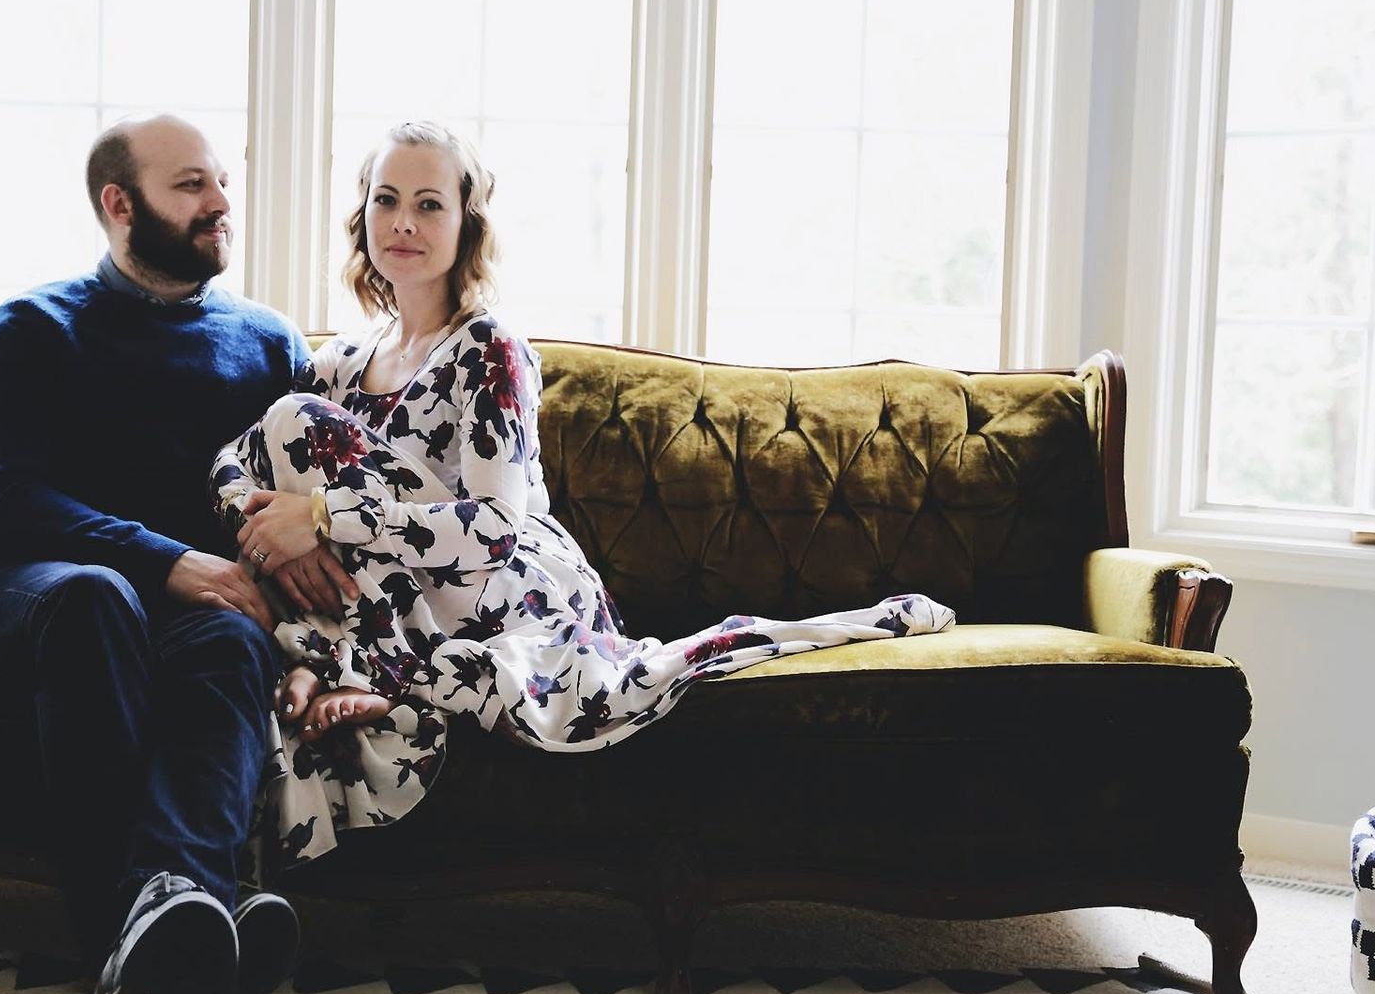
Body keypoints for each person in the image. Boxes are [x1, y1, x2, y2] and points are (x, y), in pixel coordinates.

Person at [210, 121, 955, 880]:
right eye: (387, 199)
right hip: (398, 597)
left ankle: (342, 665)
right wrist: (265, 522)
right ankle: (350, 665)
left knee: (294, 426)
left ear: (466, 224)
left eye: (430, 204)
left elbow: (496, 528)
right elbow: (232, 464)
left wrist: (324, 517)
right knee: (288, 432)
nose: (403, 221)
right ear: (362, 214)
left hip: (507, 589)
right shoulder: (339, 361)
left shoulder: (487, 350)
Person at [0, 114, 333, 994]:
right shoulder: (31, 328)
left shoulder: (267, 343)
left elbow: (288, 514)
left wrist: (309, 641)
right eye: (190, 186)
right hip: (44, 596)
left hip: (193, 616)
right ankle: (153, 937)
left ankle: (167, 950)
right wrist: (165, 560)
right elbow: (8, 502)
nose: (220, 205)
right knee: (100, 597)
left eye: (220, 183)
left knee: (232, 638)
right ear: (117, 205)